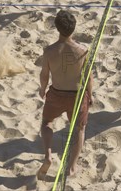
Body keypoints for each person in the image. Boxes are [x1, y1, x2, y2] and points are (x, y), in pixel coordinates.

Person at [37, 10, 92, 179]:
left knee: (47, 123)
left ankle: (48, 155)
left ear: (57, 28)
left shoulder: (49, 50)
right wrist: (91, 94)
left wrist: (42, 88)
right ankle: (71, 168)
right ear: (73, 29)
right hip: (76, 96)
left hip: (56, 93)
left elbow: (45, 74)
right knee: (79, 130)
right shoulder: (82, 51)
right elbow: (88, 77)